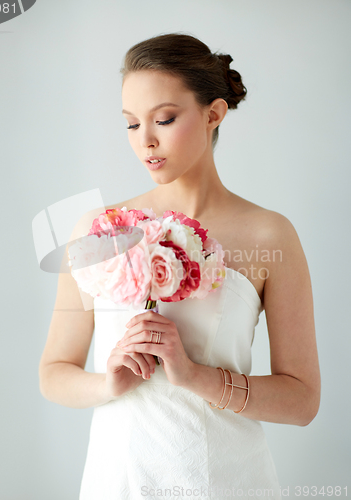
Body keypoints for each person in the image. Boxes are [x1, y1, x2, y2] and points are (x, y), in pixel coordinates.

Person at [39, 33, 321, 500]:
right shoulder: (97, 229)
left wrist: (195, 376)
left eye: (164, 119)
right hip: (117, 482)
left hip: (227, 483)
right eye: (131, 125)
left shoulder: (270, 235)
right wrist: (109, 382)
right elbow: (54, 371)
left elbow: (303, 401)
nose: (145, 141)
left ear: (213, 114)